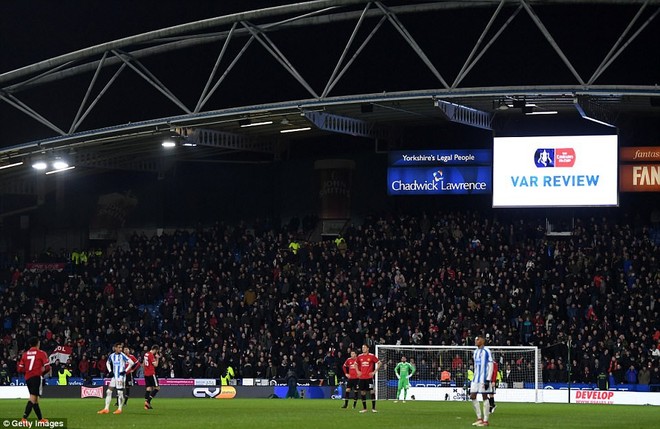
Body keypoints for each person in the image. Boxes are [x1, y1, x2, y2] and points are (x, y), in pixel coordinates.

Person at [17, 337, 51, 424]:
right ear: (38, 344)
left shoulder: (25, 354)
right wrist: (41, 373)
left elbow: (20, 369)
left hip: (28, 378)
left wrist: (28, 371)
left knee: (35, 399)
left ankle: (40, 419)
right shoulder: (41, 353)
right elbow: (47, 367)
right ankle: (24, 418)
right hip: (36, 377)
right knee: (33, 397)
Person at [98, 342, 136, 415]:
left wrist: (125, 371)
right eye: (119, 347)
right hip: (114, 377)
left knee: (119, 392)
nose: (120, 349)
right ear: (115, 348)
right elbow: (107, 363)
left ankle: (119, 409)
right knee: (108, 392)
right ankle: (106, 409)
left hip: (120, 377)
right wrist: (110, 371)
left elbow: (131, 362)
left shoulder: (123, 355)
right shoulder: (112, 355)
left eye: (121, 348)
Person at [470, 335, 493, 427]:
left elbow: (491, 365)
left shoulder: (487, 351)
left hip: (484, 378)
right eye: (475, 339)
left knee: (484, 396)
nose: (476, 341)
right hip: (475, 378)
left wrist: (488, 379)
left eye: (478, 339)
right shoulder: (475, 352)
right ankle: (479, 418)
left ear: (482, 341)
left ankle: (486, 421)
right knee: (472, 396)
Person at [356, 344, 381, 413]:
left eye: (364, 347)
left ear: (368, 348)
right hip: (362, 378)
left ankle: (373, 408)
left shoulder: (371, 356)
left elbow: (379, 363)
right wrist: (358, 371)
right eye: (362, 347)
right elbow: (355, 364)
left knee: (372, 391)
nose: (363, 348)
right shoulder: (359, 356)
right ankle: (364, 408)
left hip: (369, 377)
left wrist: (374, 371)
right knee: (362, 392)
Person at [143, 345, 161, 410]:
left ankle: (146, 405)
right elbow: (155, 365)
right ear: (155, 350)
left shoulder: (146, 354)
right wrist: (157, 358)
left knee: (149, 388)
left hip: (146, 373)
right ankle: (148, 401)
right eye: (156, 351)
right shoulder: (151, 355)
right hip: (151, 373)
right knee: (157, 388)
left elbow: (144, 363)